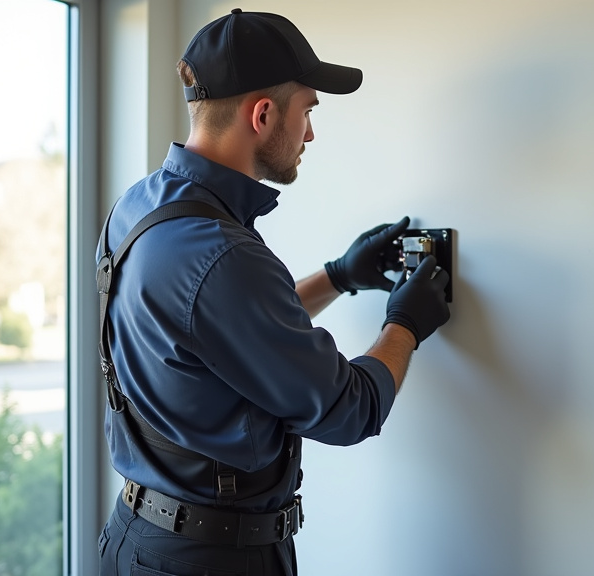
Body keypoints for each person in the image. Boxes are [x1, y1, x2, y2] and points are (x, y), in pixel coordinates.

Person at [96, 8, 451, 576]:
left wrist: (339, 275)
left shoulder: (140, 206)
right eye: (307, 110)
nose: (310, 133)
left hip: (137, 538)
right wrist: (405, 325)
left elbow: (219, 332)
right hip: (211, 561)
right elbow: (350, 410)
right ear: (262, 115)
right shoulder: (223, 254)